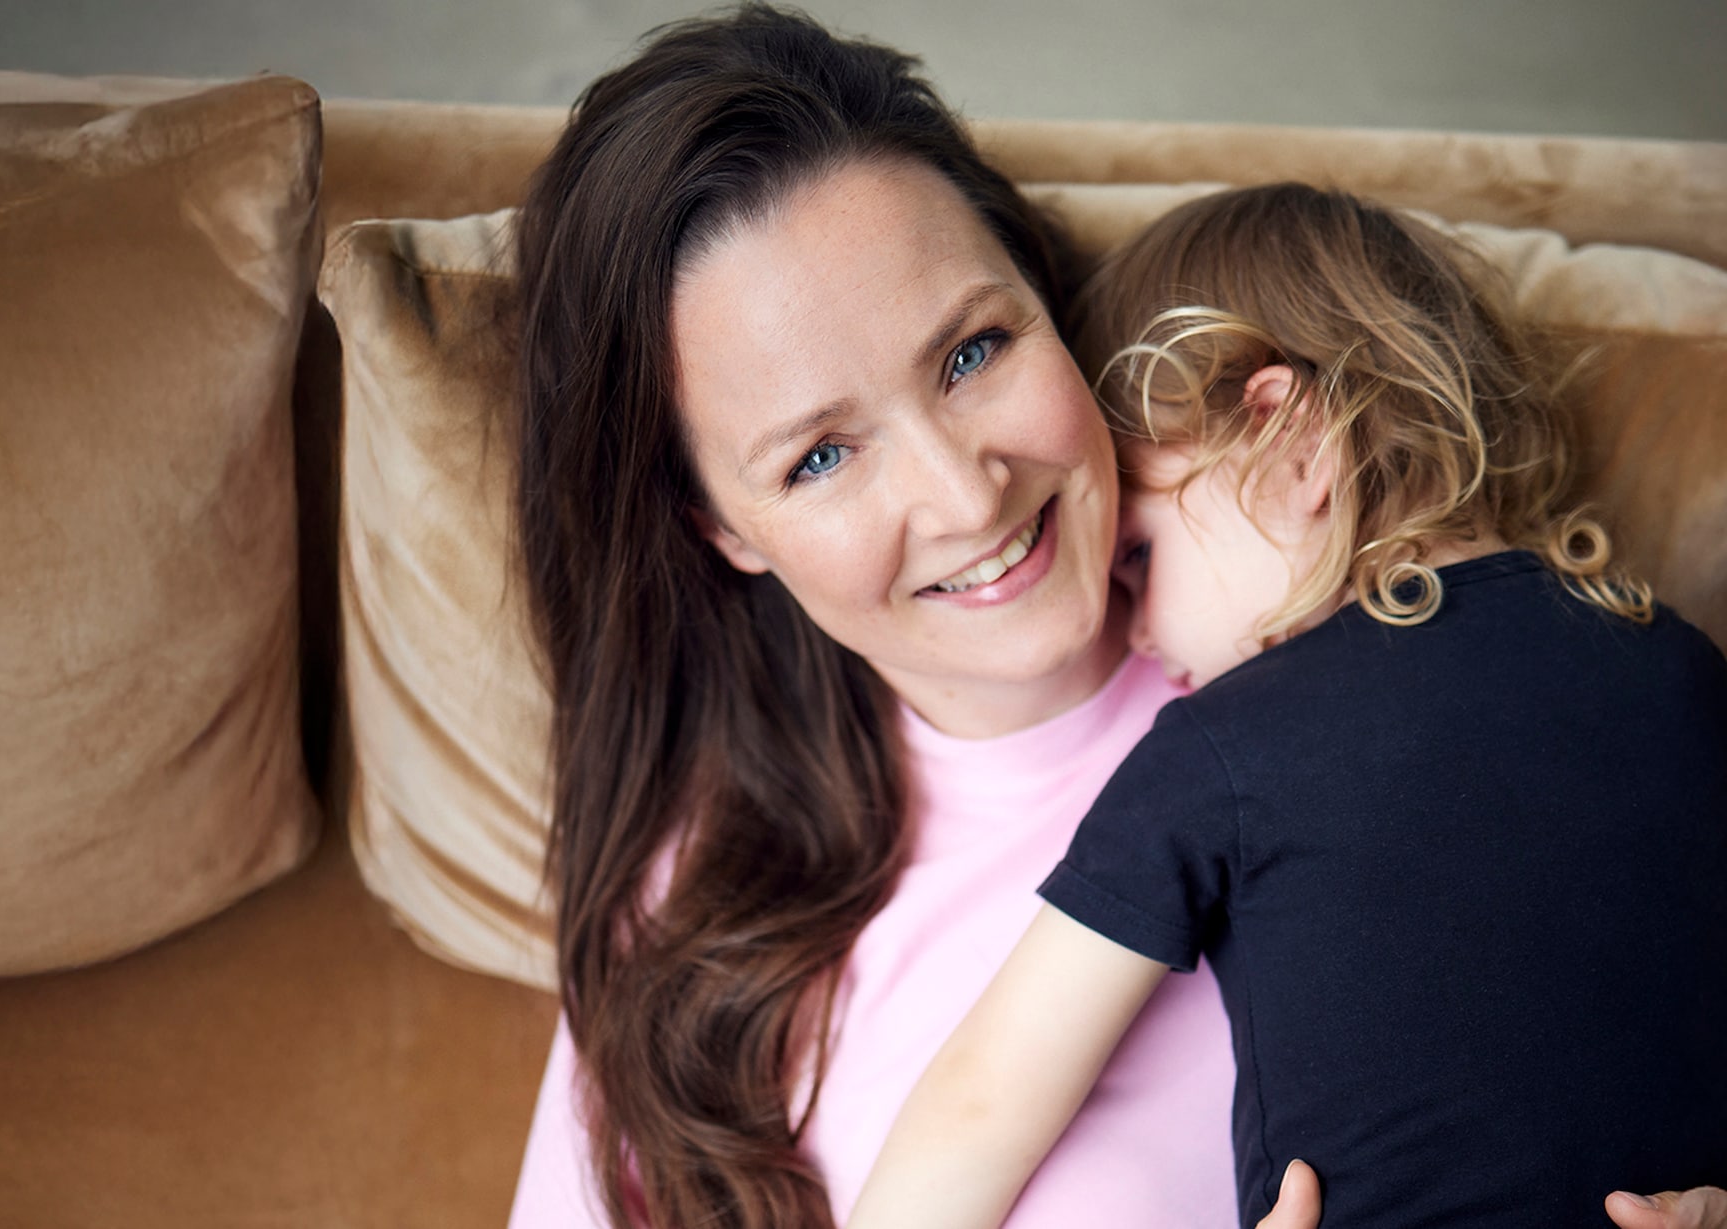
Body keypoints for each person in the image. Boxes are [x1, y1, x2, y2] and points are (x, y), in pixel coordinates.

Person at [502, 6, 1727, 1226]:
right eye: (818, 456)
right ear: (718, 526)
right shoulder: (688, 924)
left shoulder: (1325, 669)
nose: (960, 489)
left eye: (973, 351)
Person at [846, 184, 1727, 1228]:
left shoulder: (1224, 742)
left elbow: (984, 1099)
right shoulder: (1677, 665)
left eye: (1140, 552)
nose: (1131, 629)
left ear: (1284, 439)